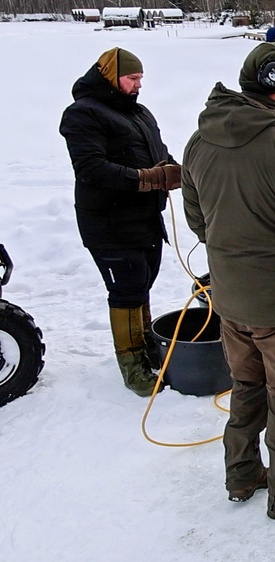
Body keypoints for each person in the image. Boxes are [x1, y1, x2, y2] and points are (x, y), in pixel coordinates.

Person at [181, 42, 275, 519]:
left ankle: (242, 472)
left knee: (247, 385)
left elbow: (198, 222)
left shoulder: (199, 140)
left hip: (229, 300)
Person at [59, 47, 182, 397]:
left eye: (140, 78)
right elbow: (91, 168)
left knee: (143, 281)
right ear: (111, 77)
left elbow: (158, 153)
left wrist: (175, 170)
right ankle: (132, 365)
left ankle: (145, 347)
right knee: (126, 288)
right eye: (132, 78)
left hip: (145, 218)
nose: (138, 85)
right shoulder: (83, 114)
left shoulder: (139, 113)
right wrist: (145, 179)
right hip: (108, 221)